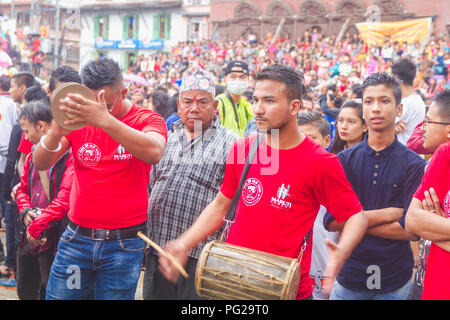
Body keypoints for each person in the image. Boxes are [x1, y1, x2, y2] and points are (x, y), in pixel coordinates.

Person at [158, 64, 368, 300]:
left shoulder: (320, 162)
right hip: (231, 283)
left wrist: (342, 251)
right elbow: (221, 205)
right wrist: (184, 243)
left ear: (294, 106)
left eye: (269, 101)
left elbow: (355, 216)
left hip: (284, 289)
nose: (258, 109)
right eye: (256, 99)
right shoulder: (243, 148)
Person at [33, 57, 168, 300]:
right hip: (77, 241)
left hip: (123, 246)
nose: (96, 110)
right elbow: (41, 163)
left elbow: (154, 152)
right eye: (91, 101)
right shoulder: (78, 119)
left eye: (105, 105)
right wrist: (54, 132)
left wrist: (105, 120)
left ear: (124, 92)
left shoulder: (146, 119)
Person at [325, 72, 425, 300]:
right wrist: (390, 213)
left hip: (394, 278)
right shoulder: (344, 160)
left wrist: (354, 222)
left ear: (399, 110)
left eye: (385, 101)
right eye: (368, 102)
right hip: (350, 274)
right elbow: (332, 221)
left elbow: (410, 230)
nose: (375, 108)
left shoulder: (414, 164)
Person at [144, 65, 238, 300]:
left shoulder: (232, 144)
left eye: (203, 102)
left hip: (200, 258)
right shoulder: (167, 136)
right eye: (188, 101)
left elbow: (228, 205)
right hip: (158, 251)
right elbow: (150, 185)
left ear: (215, 107)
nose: (194, 108)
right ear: (179, 105)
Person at [11, 100, 74, 299]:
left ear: (41, 125)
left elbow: (65, 200)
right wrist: (26, 211)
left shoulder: (68, 157)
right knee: (26, 288)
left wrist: (39, 223)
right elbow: (22, 190)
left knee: (53, 290)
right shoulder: (32, 157)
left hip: (54, 239)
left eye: (27, 132)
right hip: (29, 237)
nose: (26, 137)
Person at [405, 89, 450, 300]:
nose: (423, 128)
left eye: (428, 121)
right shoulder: (444, 156)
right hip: (432, 282)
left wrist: (435, 228)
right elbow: (413, 221)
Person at [297, 111, 339, 300]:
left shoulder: (337, 179)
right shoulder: (285, 179)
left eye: (311, 138)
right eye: (298, 138)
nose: (303, 144)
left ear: (327, 140)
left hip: (328, 277)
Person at [0, 72, 35, 281]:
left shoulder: (20, 117)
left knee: (14, 222)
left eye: (15, 86)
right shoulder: (15, 110)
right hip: (13, 177)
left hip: (12, 177)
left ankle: (13, 267)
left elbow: (16, 156)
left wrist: (12, 188)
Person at [392, 59, 426, 145]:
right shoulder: (416, 100)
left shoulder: (407, 103)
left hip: (405, 153)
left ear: (397, 78)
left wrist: (390, 127)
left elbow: (379, 126)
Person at [216, 60, 253, 137]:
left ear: (248, 80)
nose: (238, 80)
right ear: (225, 79)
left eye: (242, 77)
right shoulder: (219, 103)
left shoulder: (247, 106)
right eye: (233, 77)